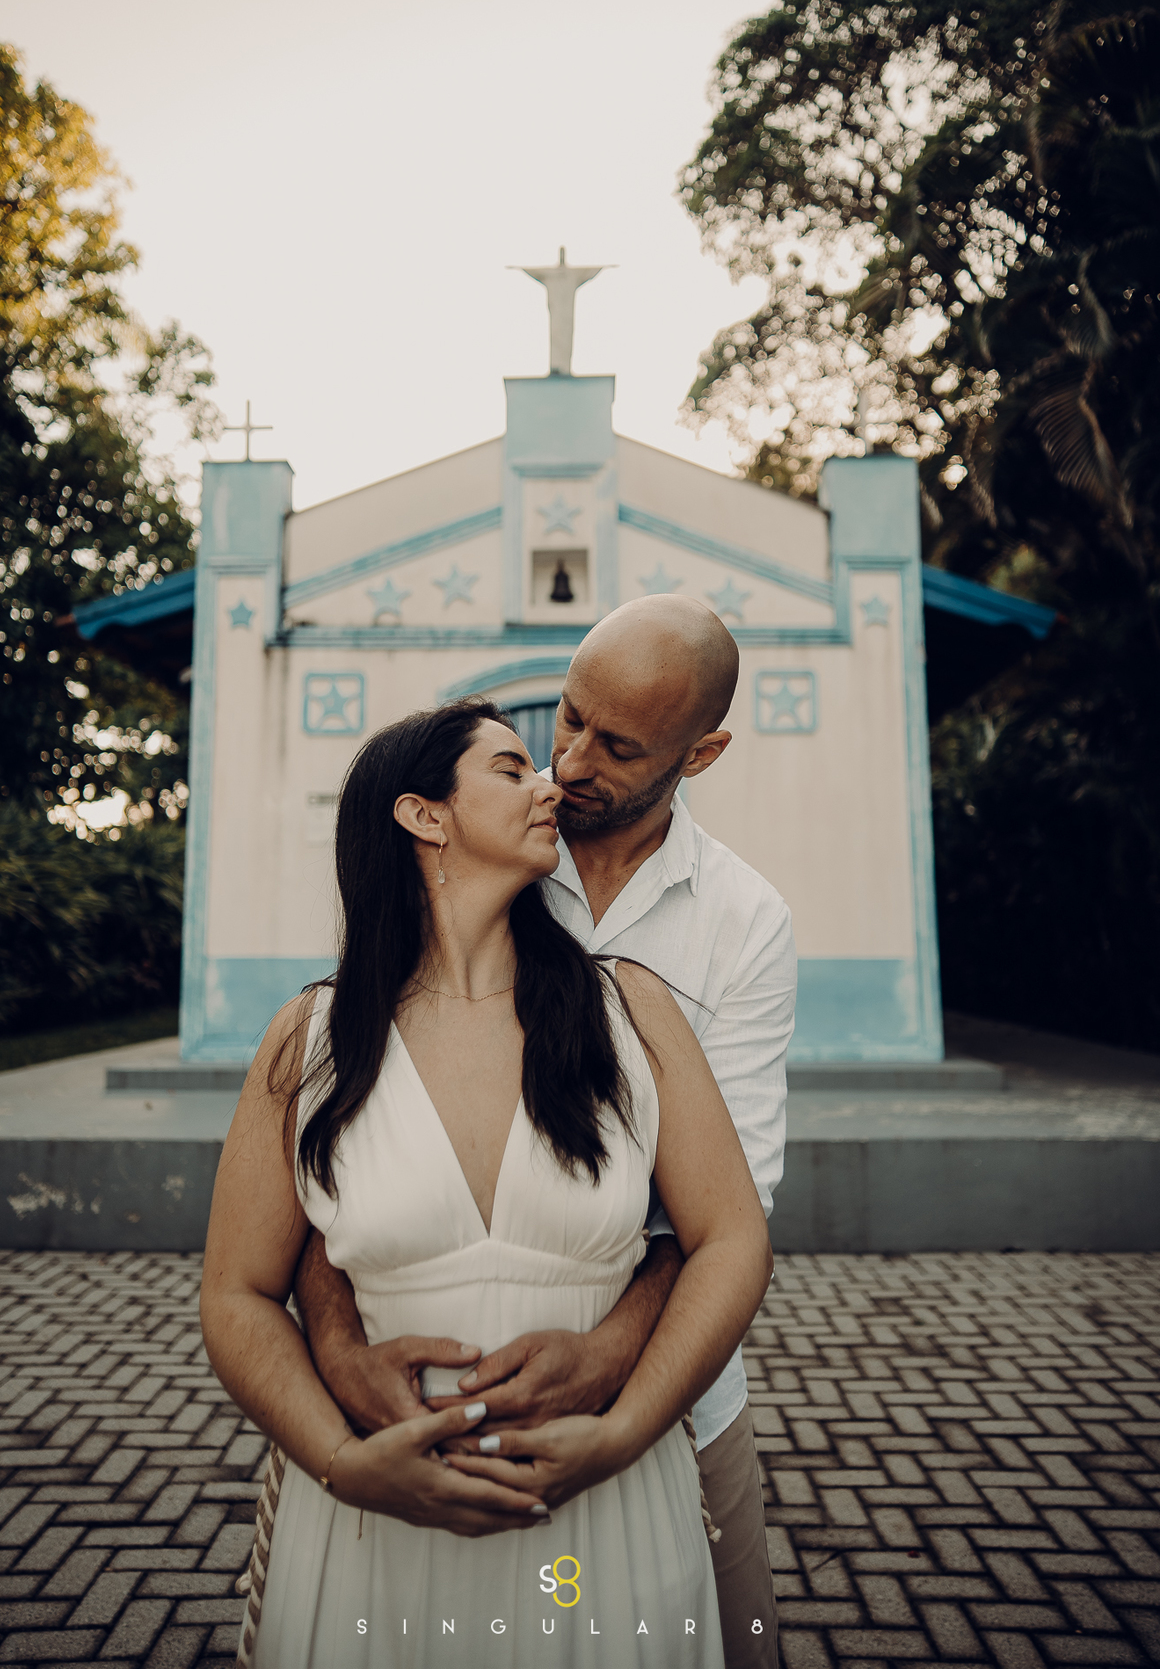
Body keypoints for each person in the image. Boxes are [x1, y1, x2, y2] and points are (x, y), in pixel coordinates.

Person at [200, 697, 771, 1669]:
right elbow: (237, 1293)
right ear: (425, 816)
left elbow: (729, 1238)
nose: (549, 783)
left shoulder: (627, 1007)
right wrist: (344, 1466)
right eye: (510, 769)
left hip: (603, 1499)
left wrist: (624, 1431)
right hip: (378, 1517)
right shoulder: (313, 1040)